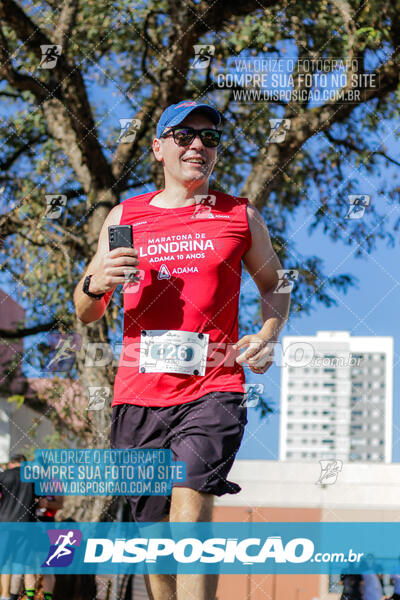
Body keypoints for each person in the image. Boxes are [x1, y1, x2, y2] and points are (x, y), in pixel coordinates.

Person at [74, 99, 290, 600]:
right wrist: (95, 283)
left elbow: (275, 283)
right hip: (139, 392)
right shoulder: (125, 216)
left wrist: (267, 333)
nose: (198, 146)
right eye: (184, 136)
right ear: (158, 148)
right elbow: (87, 310)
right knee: (154, 537)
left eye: (209, 138)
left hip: (213, 386)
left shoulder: (238, 215)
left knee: (190, 504)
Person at [0, 454, 37, 600]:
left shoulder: (4, 476)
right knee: (23, 564)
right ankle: (25, 597)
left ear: (11, 464)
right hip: (27, 526)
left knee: (3, 562)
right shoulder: (33, 477)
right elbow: (41, 501)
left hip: (5, 524)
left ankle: (4, 596)